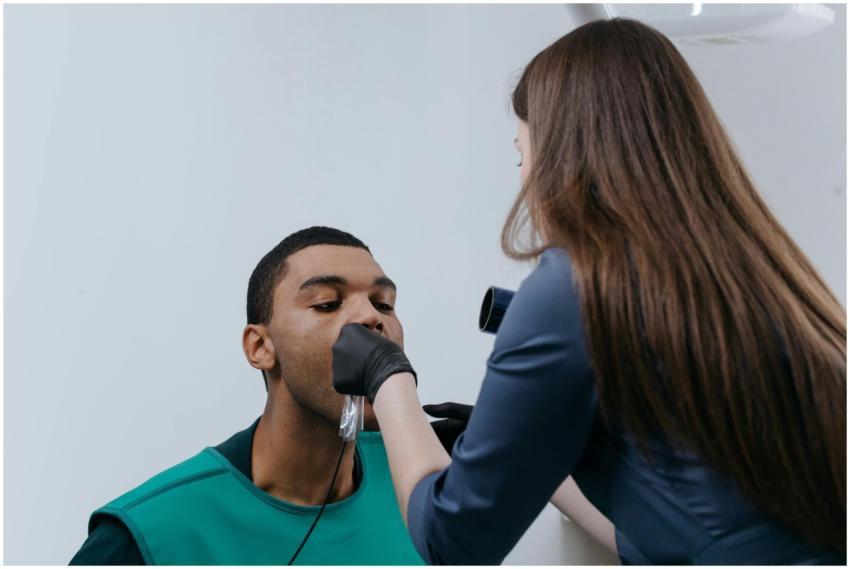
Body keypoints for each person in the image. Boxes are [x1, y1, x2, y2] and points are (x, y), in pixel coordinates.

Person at [331, 18, 847, 565]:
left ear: (563, 153)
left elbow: (452, 540)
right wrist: (538, 458)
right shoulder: (758, 277)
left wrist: (388, 377)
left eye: (522, 154)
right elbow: (675, 532)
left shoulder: (569, 290)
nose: (523, 179)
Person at [72, 226, 435, 565]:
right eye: (327, 303)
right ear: (260, 346)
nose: (371, 317)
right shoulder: (149, 535)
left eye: (384, 304)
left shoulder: (427, 492)